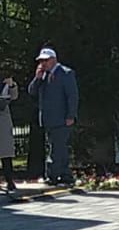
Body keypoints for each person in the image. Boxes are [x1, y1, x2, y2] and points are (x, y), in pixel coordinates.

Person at [27, 48, 79, 186]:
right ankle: (66, 175)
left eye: (45, 60)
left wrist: (71, 115)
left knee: (56, 148)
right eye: (41, 61)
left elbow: (72, 96)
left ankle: (52, 176)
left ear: (53, 60)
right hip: (47, 118)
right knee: (59, 147)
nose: (43, 63)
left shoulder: (65, 73)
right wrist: (37, 78)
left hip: (61, 118)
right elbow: (32, 91)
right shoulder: (43, 75)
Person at [1, 76, 18, 193]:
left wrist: (11, 85)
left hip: (2, 118)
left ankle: (9, 181)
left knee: (5, 152)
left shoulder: (3, 78)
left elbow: (14, 96)